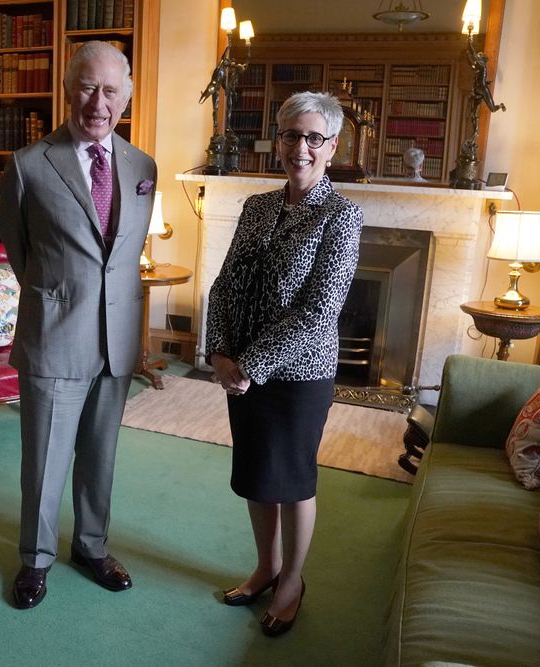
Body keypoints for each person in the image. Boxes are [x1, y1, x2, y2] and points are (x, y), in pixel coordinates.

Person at [0, 41, 157, 610]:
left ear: (125, 98)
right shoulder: (28, 164)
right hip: (54, 336)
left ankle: (91, 547)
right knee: (43, 459)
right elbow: (19, 252)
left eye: (111, 91)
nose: (99, 102)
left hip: (117, 342)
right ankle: (35, 559)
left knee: (99, 454)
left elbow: (125, 253)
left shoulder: (143, 167)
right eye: (88, 87)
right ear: (69, 91)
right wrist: (60, 296)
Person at [205, 91, 363, 637]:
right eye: (292, 135)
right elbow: (226, 283)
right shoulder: (258, 207)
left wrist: (250, 363)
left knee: (292, 480)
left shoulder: (343, 216)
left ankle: (292, 580)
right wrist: (219, 352)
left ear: (332, 146)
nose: (301, 147)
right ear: (279, 141)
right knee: (256, 475)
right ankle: (266, 567)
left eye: (314, 137)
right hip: (240, 370)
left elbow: (320, 308)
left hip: (299, 375)